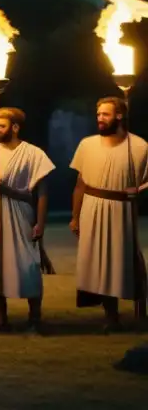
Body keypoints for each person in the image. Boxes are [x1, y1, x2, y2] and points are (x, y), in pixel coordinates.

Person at [0, 107, 54, 333]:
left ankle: (35, 318)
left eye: (1, 126)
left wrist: (40, 224)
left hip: (20, 215)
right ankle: (0, 319)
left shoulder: (33, 154)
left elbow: (41, 193)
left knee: (27, 266)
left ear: (15, 127)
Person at [70, 96, 148, 332]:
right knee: (97, 263)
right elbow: (80, 184)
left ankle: (139, 309)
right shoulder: (87, 144)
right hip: (92, 207)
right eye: (98, 115)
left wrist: (139, 189)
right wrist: (75, 216)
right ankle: (110, 316)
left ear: (119, 115)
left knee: (121, 260)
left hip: (120, 209)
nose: (100, 119)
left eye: (105, 114)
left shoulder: (139, 146)